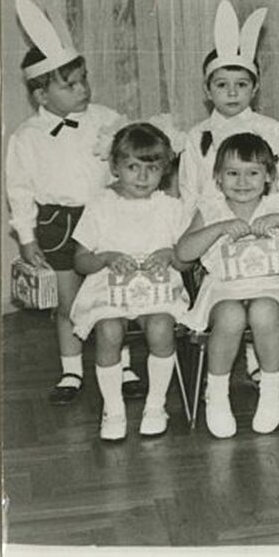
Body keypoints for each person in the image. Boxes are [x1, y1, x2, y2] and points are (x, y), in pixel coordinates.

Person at [6, 0, 140, 404]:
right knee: (69, 302)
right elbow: (19, 190)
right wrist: (27, 238)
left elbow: (128, 163)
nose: (83, 89)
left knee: (113, 294)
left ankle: (123, 364)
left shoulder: (106, 119)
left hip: (103, 218)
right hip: (57, 223)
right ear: (41, 95)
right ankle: (71, 370)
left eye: (83, 80)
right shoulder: (26, 137)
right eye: (70, 85)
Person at [176, 134, 279, 438]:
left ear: (269, 176)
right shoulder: (211, 209)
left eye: (252, 172)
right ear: (217, 177)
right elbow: (183, 253)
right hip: (223, 287)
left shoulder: (277, 206)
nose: (242, 181)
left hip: (268, 284)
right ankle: (217, 390)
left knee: (265, 312)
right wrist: (218, 229)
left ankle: (271, 386)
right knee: (230, 316)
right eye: (232, 173)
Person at [69, 122, 191, 440]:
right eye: (133, 167)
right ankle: (113, 409)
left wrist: (170, 253)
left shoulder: (171, 207)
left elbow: (187, 261)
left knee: (161, 326)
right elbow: (80, 260)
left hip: (158, 292)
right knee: (109, 329)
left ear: (165, 170)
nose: (142, 176)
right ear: (115, 166)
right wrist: (105, 257)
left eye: (152, 168)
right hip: (109, 290)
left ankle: (156, 405)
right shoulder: (101, 205)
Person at [177, 0, 279, 212]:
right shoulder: (197, 136)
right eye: (222, 85)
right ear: (207, 90)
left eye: (242, 84)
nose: (232, 92)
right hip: (213, 223)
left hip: (262, 221)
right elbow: (189, 191)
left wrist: (272, 215)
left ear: (255, 89)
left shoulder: (270, 129)